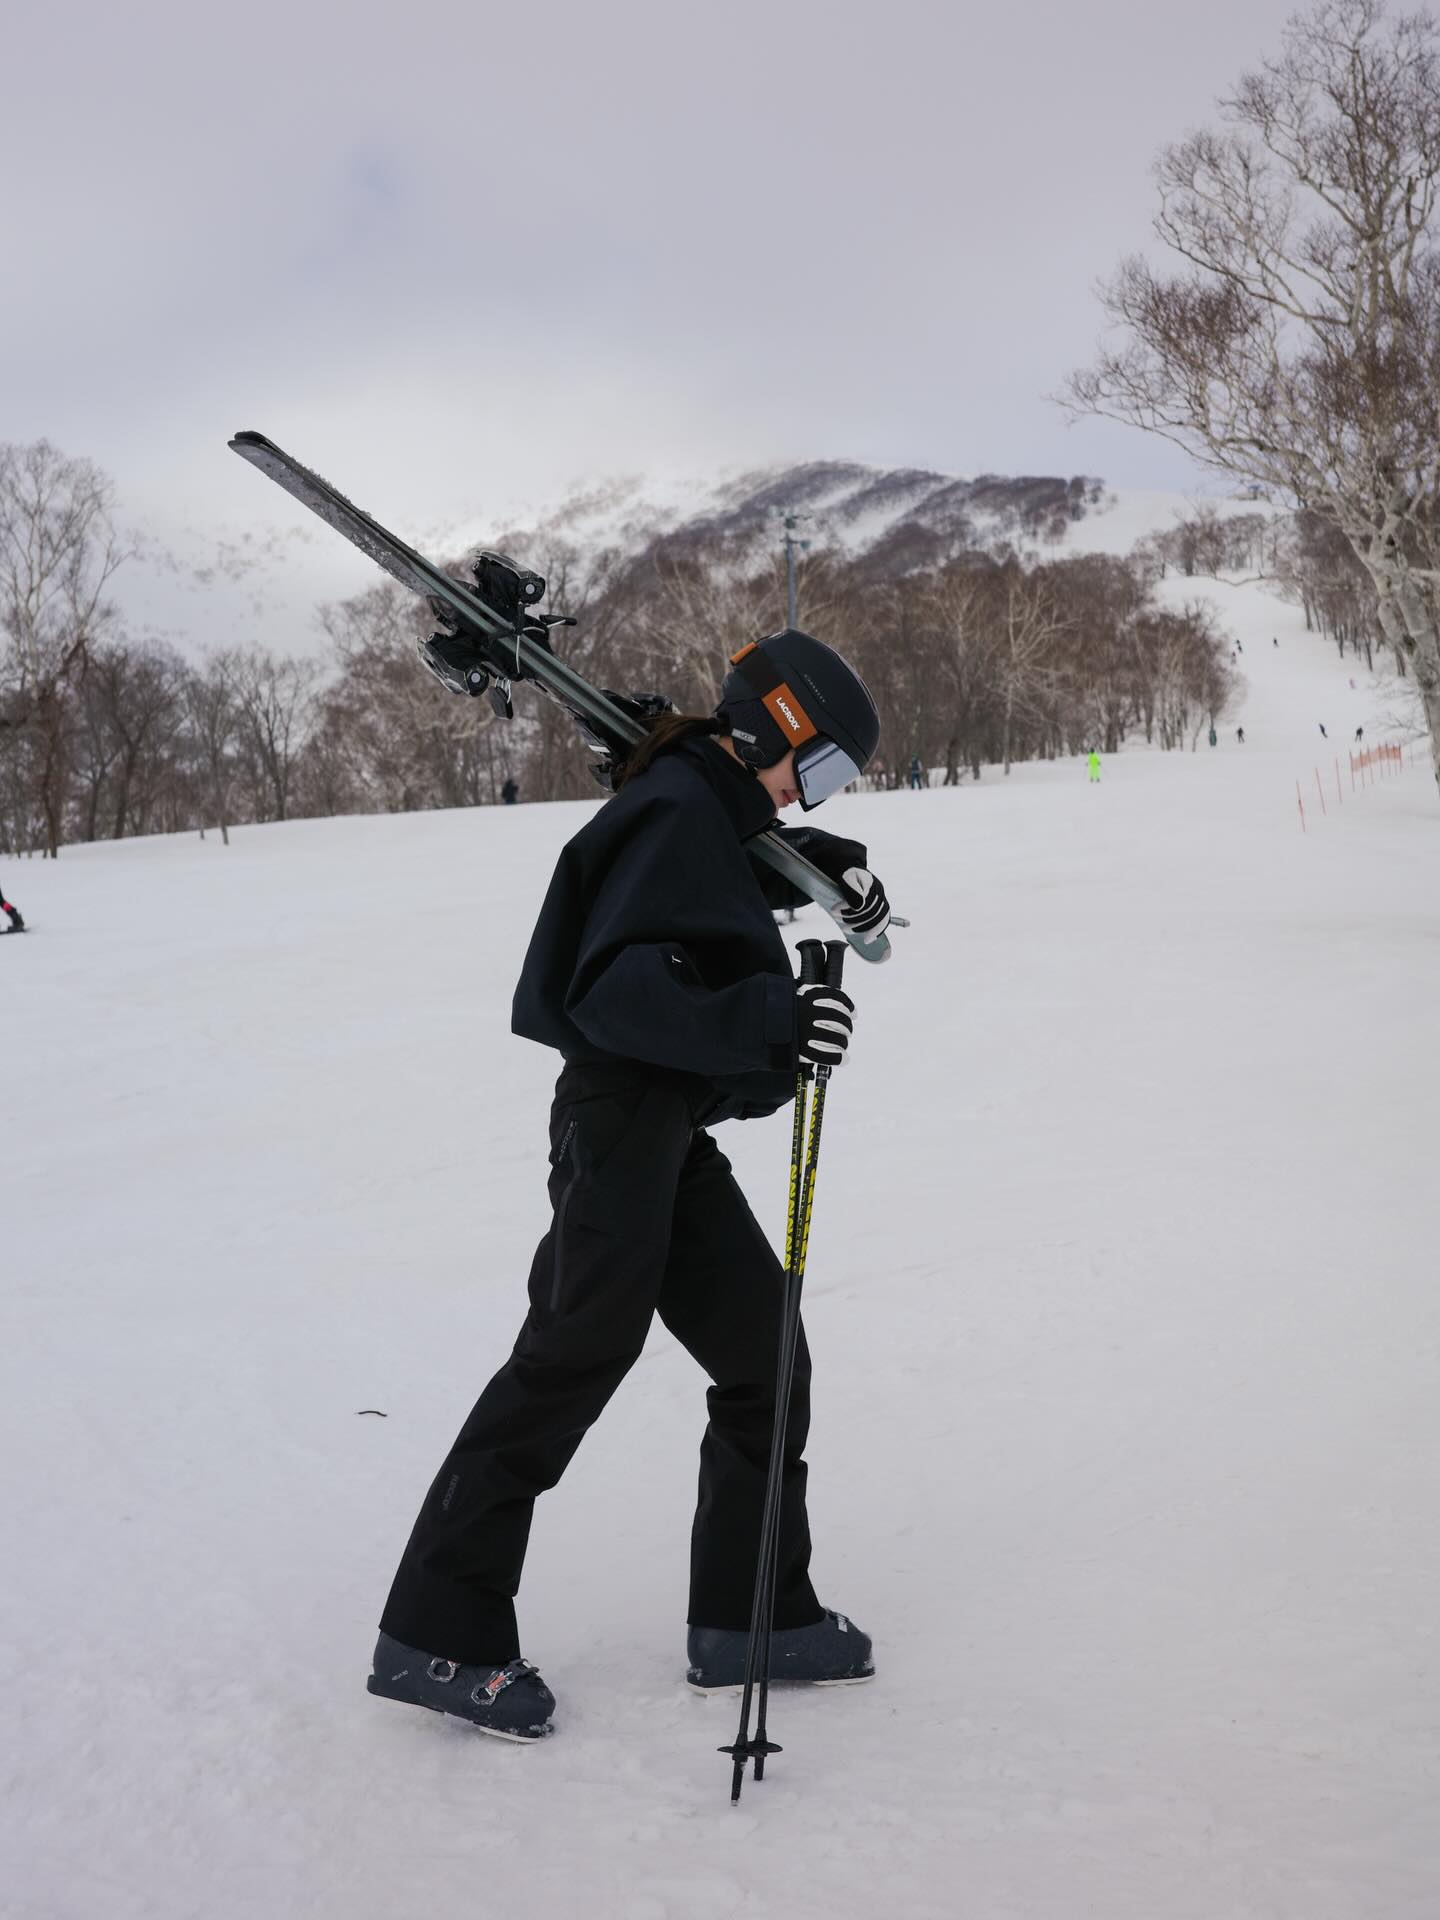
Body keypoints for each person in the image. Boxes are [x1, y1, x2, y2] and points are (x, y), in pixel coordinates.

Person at [369, 628, 888, 1741]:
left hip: (663, 1132)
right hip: (620, 1128)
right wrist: (774, 1020)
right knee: (569, 1360)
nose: (814, 793)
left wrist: (827, 866)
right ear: (773, 729)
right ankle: (436, 1632)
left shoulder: (705, 805)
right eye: (825, 767)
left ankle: (753, 1619)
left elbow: (716, 891)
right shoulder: (677, 811)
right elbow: (619, 990)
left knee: (766, 1358)